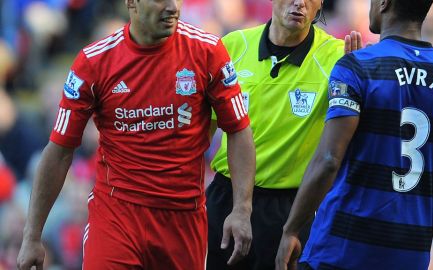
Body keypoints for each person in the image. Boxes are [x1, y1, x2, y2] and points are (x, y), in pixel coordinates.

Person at [16, 0, 255, 269]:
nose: (173, 7)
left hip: (182, 219)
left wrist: (242, 209)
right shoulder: (94, 62)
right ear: (131, 2)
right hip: (116, 215)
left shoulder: (208, 51)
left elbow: (238, 129)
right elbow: (59, 150)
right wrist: (32, 235)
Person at [275, 0, 433, 269]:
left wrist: (291, 229)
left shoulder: (358, 66)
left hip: (343, 246)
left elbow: (330, 159)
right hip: (410, 251)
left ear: (384, 4)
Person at [206, 0, 362, 269]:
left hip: (289, 208)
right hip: (226, 198)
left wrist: (361, 80)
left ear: (320, 5)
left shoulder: (339, 58)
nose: (299, 3)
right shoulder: (233, 45)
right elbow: (202, 133)